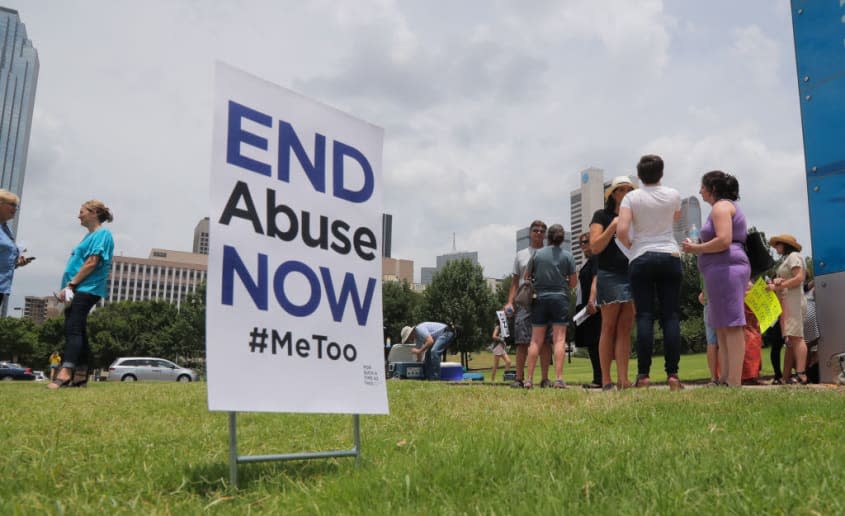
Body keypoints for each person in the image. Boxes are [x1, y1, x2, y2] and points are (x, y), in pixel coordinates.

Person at [617, 155, 683, 390]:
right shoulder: (674, 195)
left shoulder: (631, 197)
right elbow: (675, 218)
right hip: (669, 253)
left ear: (640, 175)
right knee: (671, 316)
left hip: (641, 255)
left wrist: (633, 245)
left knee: (644, 316)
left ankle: (644, 375)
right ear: (661, 173)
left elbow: (621, 230)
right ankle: (673, 374)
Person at [682, 171, 750, 387]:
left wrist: (696, 248)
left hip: (726, 269)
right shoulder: (722, 208)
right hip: (720, 270)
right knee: (721, 324)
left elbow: (723, 240)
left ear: (712, 189)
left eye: (702, 186)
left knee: (731, 323)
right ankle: (725, 377)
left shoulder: (721, 208)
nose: (699, 191)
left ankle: (734, 380)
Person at [49, 200, 115, 389]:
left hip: (87, 288)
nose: (79, 215)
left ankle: (66, 371)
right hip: (77, 288)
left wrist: (72, 284)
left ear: (94, 213)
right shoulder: (88, 236)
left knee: (73, 328)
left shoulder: (103, 234)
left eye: (82, 212)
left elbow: (92, 262)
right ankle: (80, 374)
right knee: (78, 329)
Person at [590, 176, 636, 390]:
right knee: (608, 326)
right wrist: (613, 226)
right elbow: (595, 247)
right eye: (621, 189)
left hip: (632, 273)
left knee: (626, 327)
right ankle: (606, 379)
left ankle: (623, 379)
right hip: (609, 274)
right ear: (613, 194)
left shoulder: (635, 216)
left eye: (629, 189)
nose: (625, 193)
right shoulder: (602, 215)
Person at [524, 224, 577, 389]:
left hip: (539, 298)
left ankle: (529, 379)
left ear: (548, 237)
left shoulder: (537, 254)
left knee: (536, 340)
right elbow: (574, 283)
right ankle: (559, 379)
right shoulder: (568, 256)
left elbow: (526, 277)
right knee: (559, 339)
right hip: (560, 298)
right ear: (562, 239)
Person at [503, 219, 552, 388]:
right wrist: (510, 302)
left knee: (545, 341)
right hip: (525, 301)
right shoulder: (521, 254)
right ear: (530, 234)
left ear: (545, 235)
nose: (538, 233)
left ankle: (545, 379)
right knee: (522, 341)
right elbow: (515, 282)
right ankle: (518, 378)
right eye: (535, 230)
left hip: (544, 300)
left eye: (541, 231)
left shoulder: (549, 253)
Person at [767, 234, 808, 385]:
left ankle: (801, 374)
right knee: (792, 337)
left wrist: (779, 285)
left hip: (794, 300)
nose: (776, 247)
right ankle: (795, 374)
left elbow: (799, 278)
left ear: (784, 245)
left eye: (777, 244)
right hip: (789, 300)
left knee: (797, 337)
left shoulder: (794, 256)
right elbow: (792, 278)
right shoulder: (788, 259)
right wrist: (779, 281)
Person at [575, 233, 602, 388]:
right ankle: (598, 377)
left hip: (594, 307)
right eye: (581, 243)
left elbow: (596, 280)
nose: (584, 245)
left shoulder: (596, 258)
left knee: (596, 342)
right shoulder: (588, 262)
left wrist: (592, 300)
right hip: (587, 307)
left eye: (586, 241)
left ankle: (600, 379)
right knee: (592, 343)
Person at [0, 189, 33, 309]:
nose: (15, 209)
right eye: (12, 205)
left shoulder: (5, 229)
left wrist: (17, 263)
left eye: (16, 206)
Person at [699, 291, 720, 386]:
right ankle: (726, 377)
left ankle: (714, 378)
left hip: (709, 303)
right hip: (723, 302)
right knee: (724, 341)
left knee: (711, 342)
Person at [489, 318, 512, 382]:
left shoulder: (503, 329)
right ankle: (492, 380)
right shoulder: (498, 327)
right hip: (497, 347)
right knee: (496, 365)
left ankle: (506, 378)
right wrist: (501, 339)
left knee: (508, 362)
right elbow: (493, 336)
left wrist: (504, 342)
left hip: (501, 348)